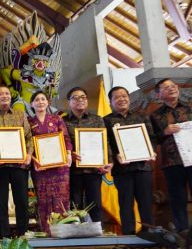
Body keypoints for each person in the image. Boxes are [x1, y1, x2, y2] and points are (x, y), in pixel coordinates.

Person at [0, 85, 33, 238]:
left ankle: (24, 236)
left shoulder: (20, 114)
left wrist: (29, 154)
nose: (5, 96)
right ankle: (4, 238)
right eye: (1, 94)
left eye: (7, 93)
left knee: (22, 202)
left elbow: (29, 138)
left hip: (20, 166)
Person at [103, 86, 156, 235]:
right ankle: (129, 233)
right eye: (117, 97)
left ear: (129, 98)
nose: (122, 99)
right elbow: (105, 143)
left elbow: (151, 137)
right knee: (125, 203)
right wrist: (115, 156)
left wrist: (150, 150)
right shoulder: (106, 120)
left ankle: (149, 232)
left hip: (142, 167)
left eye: (124, 96)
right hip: (122, 169)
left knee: (145, 202)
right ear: (110, 102)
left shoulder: (141, 116)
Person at [63, 87, 112, 222]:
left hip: (94, 168)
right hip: (73, 171)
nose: (80, 100)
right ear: (69, 102)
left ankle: (96, 233)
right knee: (75, 204)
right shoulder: (63, 121)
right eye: (76, 97)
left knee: (95, 203)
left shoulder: (97, 119)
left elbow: (105, 141)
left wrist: (109, 161)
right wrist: (68, 153)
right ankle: (76, 235)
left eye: (83, 97)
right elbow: (60, 143)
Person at [150, 78, 191, 232]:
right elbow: (152, 139)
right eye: (166, 88)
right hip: (172, 162)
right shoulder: (155, 116)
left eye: (173, 86)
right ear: (159, 94)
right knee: (177, 199)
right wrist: (165, 132)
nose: (171, 89)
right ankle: (182, 233)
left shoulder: (189, 109)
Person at [27, 91, 71, 235]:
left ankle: (63, 231)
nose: (40, 102)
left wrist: (69, 154)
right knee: (43, 199)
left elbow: (65, 138)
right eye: (37, 100)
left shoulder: (57, 119)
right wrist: (34, 160)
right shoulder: (29, 122)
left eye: (43, 99)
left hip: (59, 167)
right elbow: (27, 143)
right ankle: (46, 231)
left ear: (47, 102)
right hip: (40, 167)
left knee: (61, 198)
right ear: (32, 104)